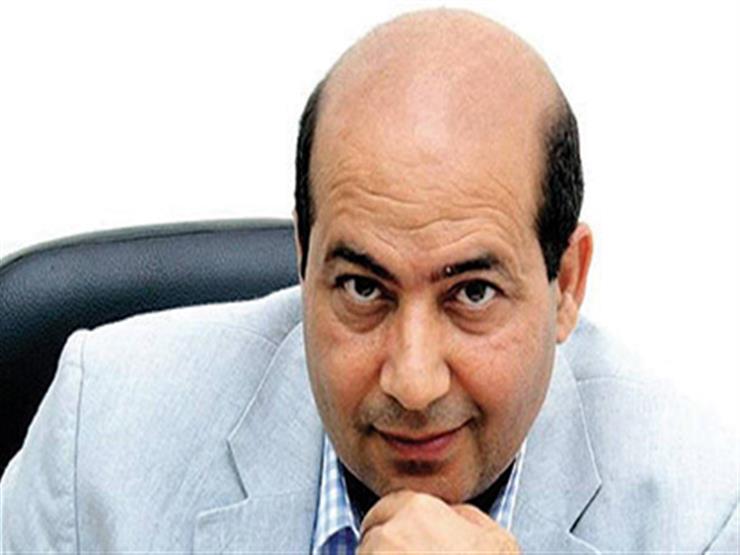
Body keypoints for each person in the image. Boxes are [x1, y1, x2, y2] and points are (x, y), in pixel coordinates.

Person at [1, 9, 737, 553]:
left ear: (566, 284)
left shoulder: (702, 514)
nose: (413, 383)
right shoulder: (99, 437)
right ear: (304, 257)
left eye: (472, 293)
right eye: (362, 288)